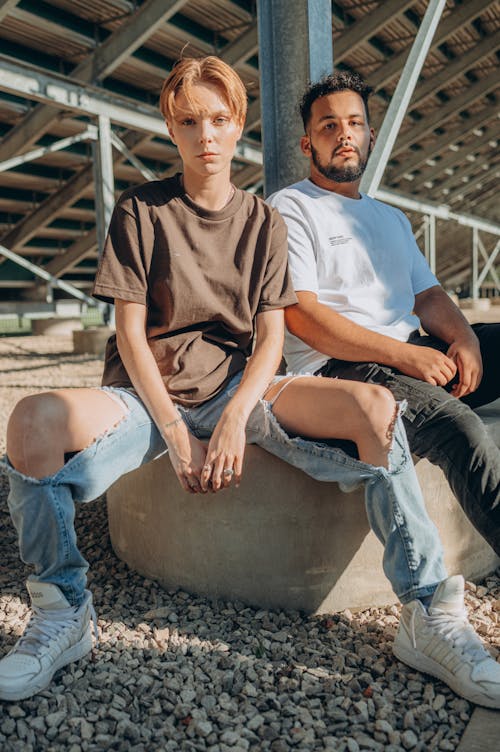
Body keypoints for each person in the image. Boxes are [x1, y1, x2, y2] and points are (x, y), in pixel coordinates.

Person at [0, 58, 497, 710]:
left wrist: (234, 418)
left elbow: (269, 340)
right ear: (171, 130)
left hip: (248, 386)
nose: (205, 134)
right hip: (152, 399)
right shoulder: (141, 211)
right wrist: (177, 433)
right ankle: (64, 609)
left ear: (238, 127)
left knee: (376, 409)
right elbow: (128, 335)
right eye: (188, 121)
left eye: (218, 119)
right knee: (32, 422)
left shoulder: (263, 221)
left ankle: (427, 612)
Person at [268, 69, 500, 704]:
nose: (343, 135)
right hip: (347, 366)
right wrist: (405, 356)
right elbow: (302, 314)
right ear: (308, 144)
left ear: (369, 135)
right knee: (461, 430)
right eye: (328, 127)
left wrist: (466, 340)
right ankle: (429, 615)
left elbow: (428, 295)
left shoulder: (390, 218)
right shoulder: (292, 208)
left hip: (410, 350)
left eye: (352, 124)